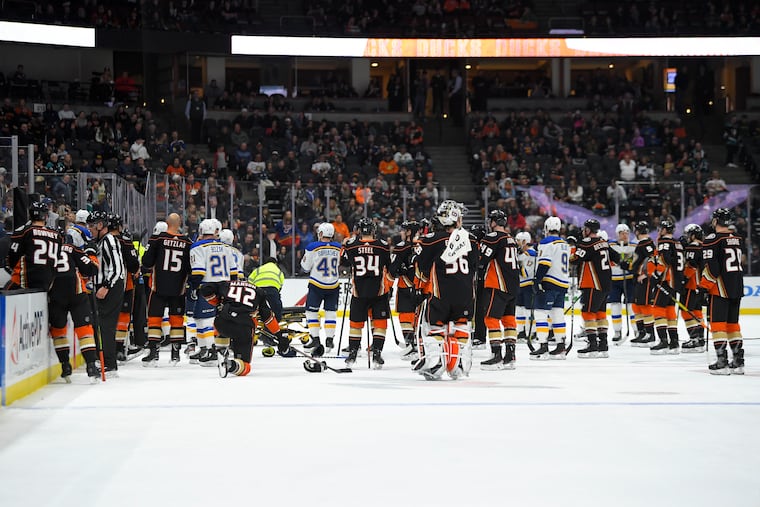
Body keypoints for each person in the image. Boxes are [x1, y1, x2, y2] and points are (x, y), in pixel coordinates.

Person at [413, 201, 478, 380]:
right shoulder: (471, 239)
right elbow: (474, 266)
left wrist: (419, 288)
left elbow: (422, 267)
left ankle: (435, 364)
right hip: (465, 294)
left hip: (441, 293)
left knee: (434, 327)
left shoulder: (432, 239)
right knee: (462, 327)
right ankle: (461, 365)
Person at [201, 279, 292, 377]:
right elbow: (268, 317)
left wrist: (217, 302)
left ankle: (220, 349)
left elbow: (206, 289)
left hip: (223, 322)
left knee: (220, 319)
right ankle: (231, 365)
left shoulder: (226, 284)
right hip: (244, 327)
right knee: (245, 367)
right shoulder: (259, 292)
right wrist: (279, 335)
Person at [340, 217, 392, 369]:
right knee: (380, 323)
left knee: (356, 324)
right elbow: (388, 265)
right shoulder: (383, 245)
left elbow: (343, 262)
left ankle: (353, 353)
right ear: (373, 230)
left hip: (359, 291)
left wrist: (344, 246)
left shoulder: (351, 245)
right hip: (379, 291)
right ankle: (377, 353)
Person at [49, 228, 101, 382]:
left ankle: (65, 365)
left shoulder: (48, 250)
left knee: (58, 330)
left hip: (55, 295)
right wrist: (91, 253)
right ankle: (91, 365)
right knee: (84, 329)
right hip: (76, 293)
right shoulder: (72, 248)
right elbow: (92, 269)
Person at [140, 213, 192, 366]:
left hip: (158, 286)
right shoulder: (187, 242)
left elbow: (147, 261)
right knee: (176, 319)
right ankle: (175, 354)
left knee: (155, 319)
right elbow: (190, 267)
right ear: (179, 223)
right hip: (178, 288)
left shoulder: (157, 239)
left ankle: (153, 353)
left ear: (166, 223)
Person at [701, 208, 745, 375]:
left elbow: (712, 269)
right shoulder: (737, 238)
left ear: (715, 221)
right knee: (733, 324)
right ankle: (738, 361)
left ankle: (722, 361)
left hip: (720, 288)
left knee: (718, 324)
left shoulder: (712, 239)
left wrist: (704, 287)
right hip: (736, 286)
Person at [189, 219, 239, 365]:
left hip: (207, 285)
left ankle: (211, 350)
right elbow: (233, 272)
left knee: (204, 319)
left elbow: (198, 272)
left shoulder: (197, 246)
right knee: (212, 319)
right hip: (225, 286)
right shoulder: (226, 247)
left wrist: (192, 286)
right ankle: (205, 348)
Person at [477, 209, 520, 370]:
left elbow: (482, 259)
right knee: (509, 320)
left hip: (498, 283)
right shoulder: (511, 238)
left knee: (491, 318)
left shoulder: (493, 237)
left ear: (494, 222)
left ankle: (496, 355)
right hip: (513, 285)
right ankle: (510, 356)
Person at [87, 210, 125, 376]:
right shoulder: (102, 241)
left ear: (101, 225)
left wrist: (106, 287)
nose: (90, 229)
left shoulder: (109, 240)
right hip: (106, 286)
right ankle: (107, 361)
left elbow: (117, 268)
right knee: (102, 325)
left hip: (111, 287)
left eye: (92, 226)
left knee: (106, 326)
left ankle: (109, 363)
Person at [571, 219, 616, 358]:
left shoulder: (586, 244)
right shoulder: (604, 242)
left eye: (585, 228)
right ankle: (603, 345)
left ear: (589, 230)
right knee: (601, 313)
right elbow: (616, 258)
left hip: (592, 283)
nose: (583, 230)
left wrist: (574, 246)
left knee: (588, 312)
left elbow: (574, 260)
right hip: (606, 283)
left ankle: (593, 345)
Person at [530, 216, 571, 360]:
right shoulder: (565, 244)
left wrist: (537, 280)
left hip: (549, 282)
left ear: (546, 228)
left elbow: (545, 263)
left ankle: (543, 346)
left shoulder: (546, 242)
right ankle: (561, 346)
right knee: (557, 314)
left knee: (541, 313)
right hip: (563, 283)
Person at [300, 222, 342, 357]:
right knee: (331, 312)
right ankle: (329, 340)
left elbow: (305, 267)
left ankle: (315, 339)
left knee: (311, 312)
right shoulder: (338, 247)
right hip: (333, 284)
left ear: (321, 234)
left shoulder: (312, 247)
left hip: (317, 284)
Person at [5, 201, 61, 291]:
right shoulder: (57, 235)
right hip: (47, 283)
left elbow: (12, 258)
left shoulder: (23, 231)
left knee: (5, 293)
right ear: (45, 216)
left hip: (26, 281)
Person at [647, 220, 683, 355]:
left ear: (665, 230)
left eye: (660, 228)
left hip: (665, 280)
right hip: (675, 281)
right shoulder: (677, 242)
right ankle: (674, 342)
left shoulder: (664, 242)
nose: (658, 231)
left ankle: (663, 341)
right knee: (669, 310)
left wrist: (656, 275)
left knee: (658, 309)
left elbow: (664, 260)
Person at [109, 215, 141, 361]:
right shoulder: (126, 241)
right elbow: (134, 264)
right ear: (120, 226)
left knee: (108, 315)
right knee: (123, 316)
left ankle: (106, 348)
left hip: (104, 284)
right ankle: (119, 348)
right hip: (124, 284)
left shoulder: (102, 241)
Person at [389, 220, 421, 360]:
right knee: (417, 317)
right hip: (422, 286)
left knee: (405, 317)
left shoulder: (401, 247)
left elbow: (392, 269)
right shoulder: (423, 244)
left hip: (406, 286)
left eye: (404, 230)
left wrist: (388, 286)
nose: (401, 232)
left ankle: (411, 346)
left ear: (409, 232)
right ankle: (418, 345)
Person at [626, 221, 657, 347]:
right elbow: (636, 261)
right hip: (638, 279)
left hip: (645, 280)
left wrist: (647, 274)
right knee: (636, 305)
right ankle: (642, 332)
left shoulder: (647, 243)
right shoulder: (642, 244)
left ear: (637, 231)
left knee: (644, 306)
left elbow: (654, 259)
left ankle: (650, 334)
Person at [608, 224, 637, 344]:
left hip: (629, 280)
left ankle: (637, 330)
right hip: (614, 280)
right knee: (615, 306)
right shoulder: (611, 246)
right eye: (622, 233)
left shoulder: (634, 246)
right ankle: (617, 331)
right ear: (617, 234)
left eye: (627, 233)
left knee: (631, 307)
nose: (625, 235)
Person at [680, 224, 707, 353]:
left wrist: (683, 280)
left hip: (691, 285)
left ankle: (694, 339)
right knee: (697, 312)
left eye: (688, 234)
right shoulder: (704, 246)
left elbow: (691, 265)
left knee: (686, 311)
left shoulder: (693, 247)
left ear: (693, 235)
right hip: (701, 286)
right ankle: (700, 338)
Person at [515, 231, 537, 343]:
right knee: (519, 310)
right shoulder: (521, 254)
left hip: (529, 286)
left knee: (528, 311)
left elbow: (526, 273)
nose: (516, 243)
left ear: (524, 241)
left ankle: (531, 332)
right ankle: (520, 331)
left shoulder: (531, 254)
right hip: (520, 286)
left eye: (518, 241)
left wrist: (516, 265)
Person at [248, 256, 285, 322]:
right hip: (272, 289)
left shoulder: (259, 269)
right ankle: (275, 323)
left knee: (255, 306)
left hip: (258, 290)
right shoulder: (278, 271)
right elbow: (281, 283)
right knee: (276, 307)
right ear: (275, 263)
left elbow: (250, 280)